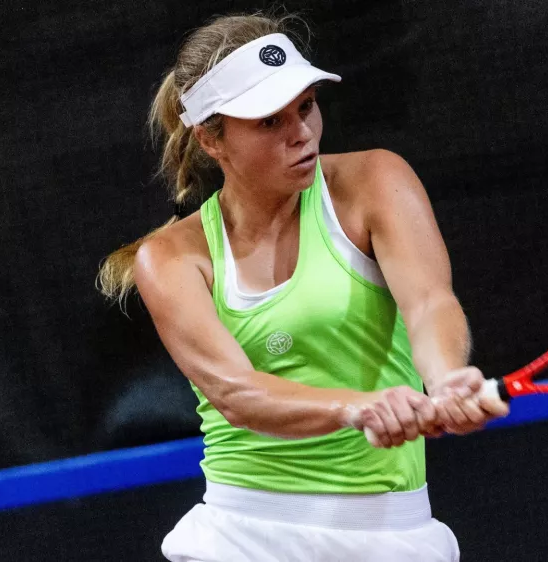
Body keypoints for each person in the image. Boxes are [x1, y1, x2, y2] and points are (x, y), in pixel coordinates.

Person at [97, 12, 509, 562]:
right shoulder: (169, 258)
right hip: (242, 537)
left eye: (307, 106)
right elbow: (237, 394)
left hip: (392, 534)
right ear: (211, 139)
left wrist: (447, 378)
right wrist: (358, 408)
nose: (302, 134)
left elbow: (430, 301)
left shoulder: (376, 180)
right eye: (269, 122)